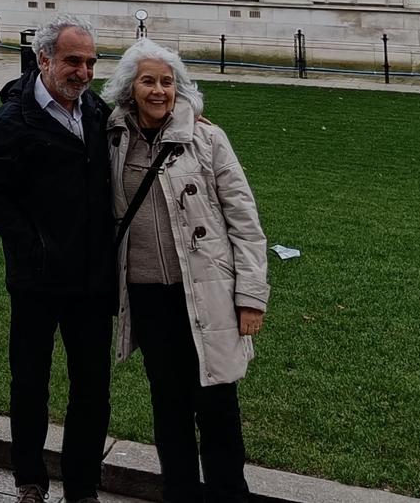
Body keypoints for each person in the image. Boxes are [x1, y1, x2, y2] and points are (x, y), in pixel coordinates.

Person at [103, 41, 268, 503]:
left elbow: (245, 220)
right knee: (168, 407)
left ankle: (228, 494)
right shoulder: (111, 137)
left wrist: (251, 296)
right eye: (148, 81)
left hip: (206, 291)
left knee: (216, 405)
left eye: (167, 82)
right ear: (129, 89)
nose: (159, 91)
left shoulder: (207, 138)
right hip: (149, 295)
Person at [0, 18, 115, 503]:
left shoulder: (96, 112)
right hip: (37, 279)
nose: (84, 72)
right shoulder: (11, 122)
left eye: (91, 62)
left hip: (92, 280)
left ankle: (82, 488)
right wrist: (35, 251)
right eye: (74, 61)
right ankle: (29, 480)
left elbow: (150, 118)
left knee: (92, 390)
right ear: (44, 60)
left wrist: (190, 112)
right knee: (30, 383)